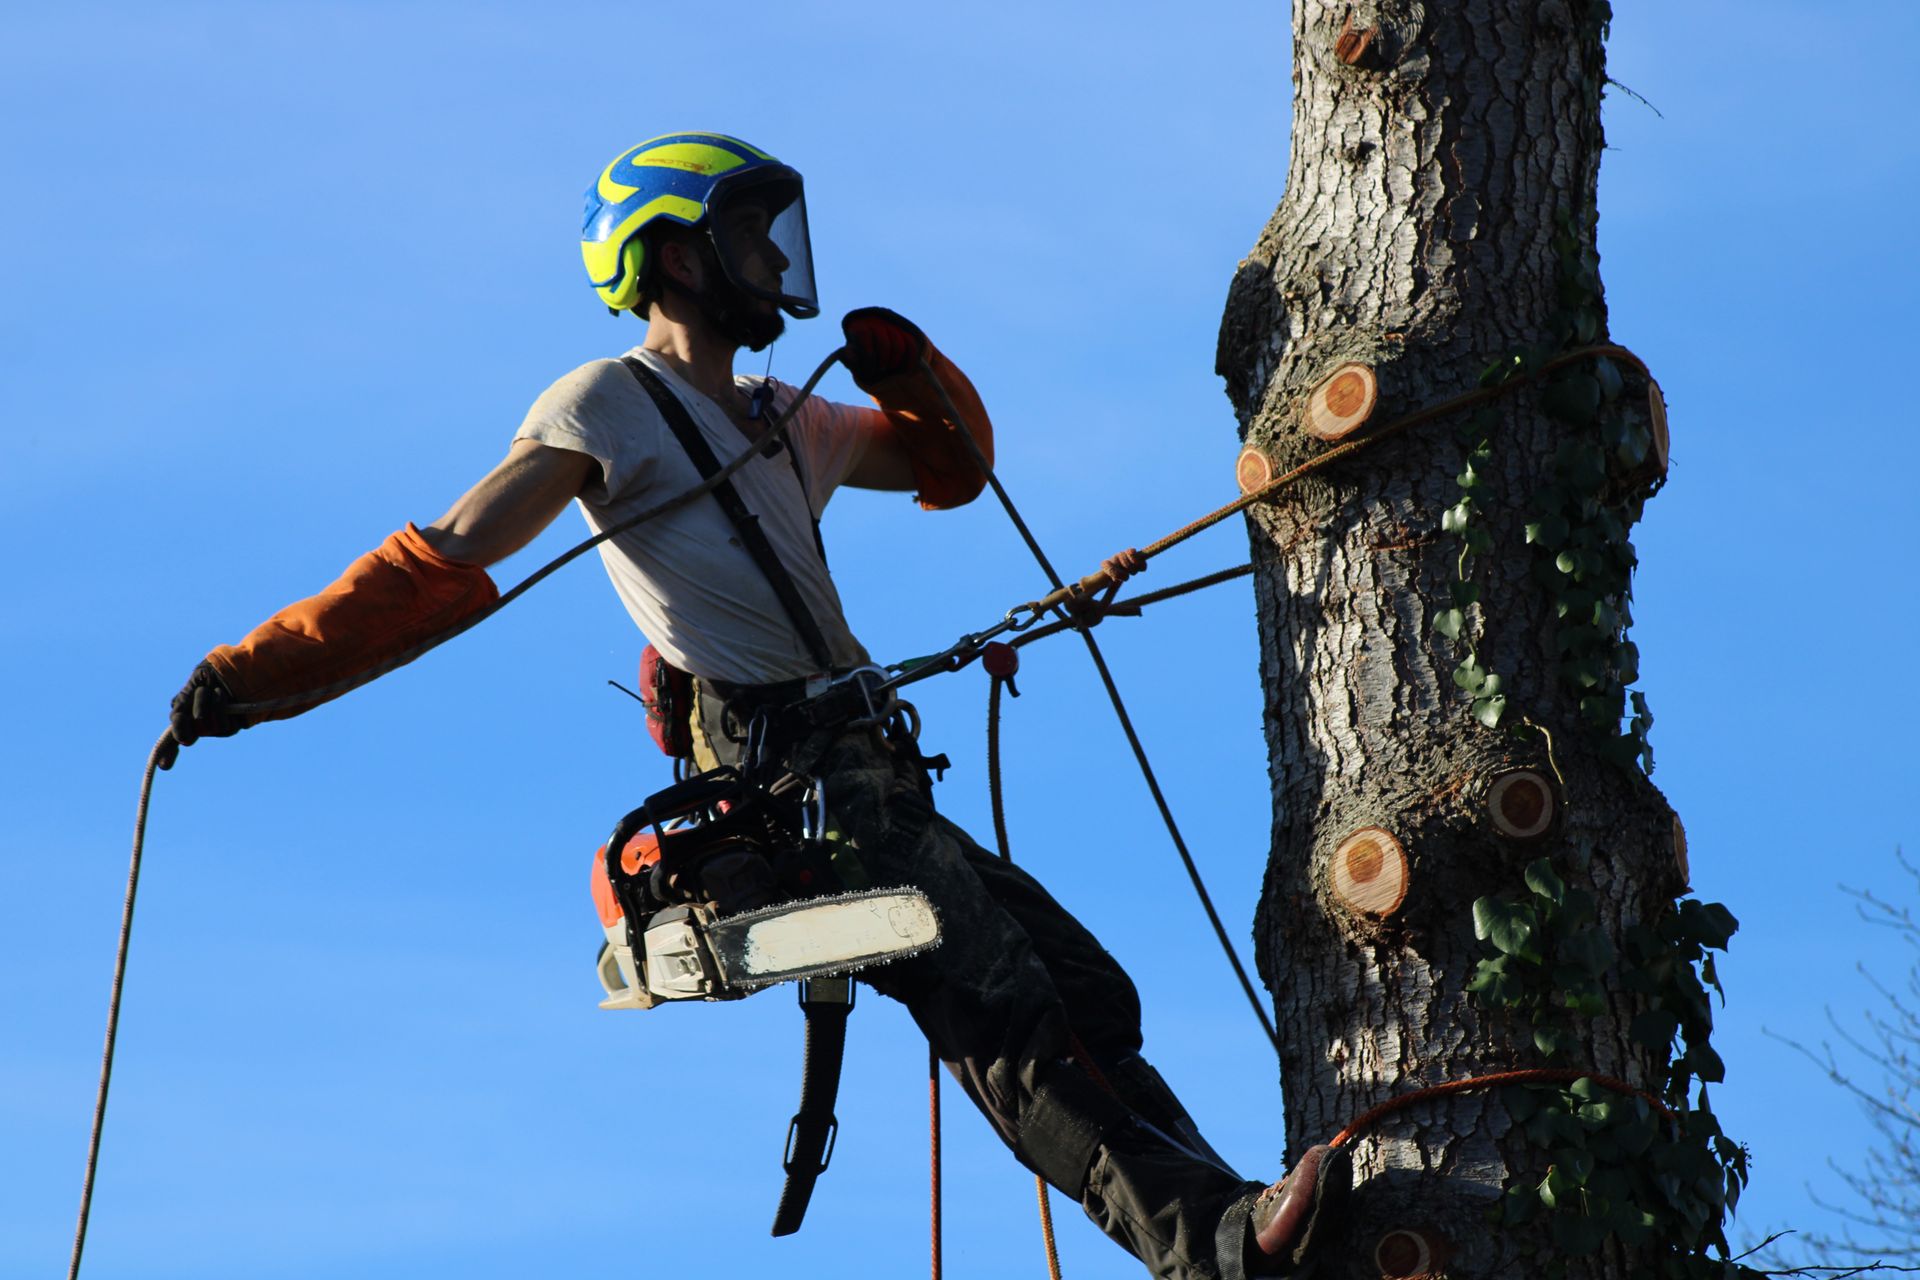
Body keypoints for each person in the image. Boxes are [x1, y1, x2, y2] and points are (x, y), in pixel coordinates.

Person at [167, 132, 1346, 1278]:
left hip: (865, 760)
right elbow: (453, 553)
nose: (780, 263)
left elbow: (951, 468)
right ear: (675, 255)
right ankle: (1223, 1242)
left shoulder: (786, 416)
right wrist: (250, 675)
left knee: (1086, 991)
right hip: (787, 772)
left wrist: (913, 374)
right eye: (751, 236)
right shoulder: (603, 406)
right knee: (1009, 1014)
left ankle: (1237, 1215)